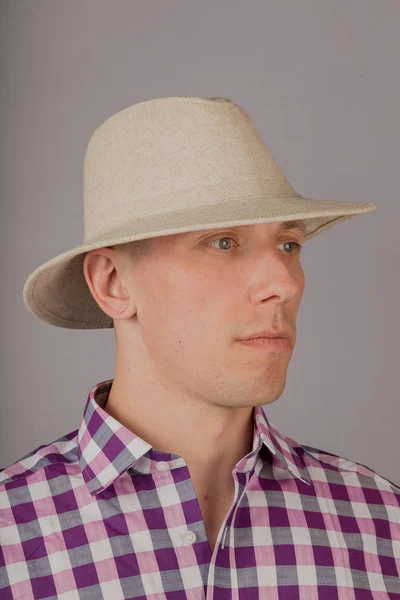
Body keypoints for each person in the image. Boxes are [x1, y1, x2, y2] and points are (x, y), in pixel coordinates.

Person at [1, 96, 398, 598]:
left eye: (289, 245)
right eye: (223, 242)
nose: (284, 282)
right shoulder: (12, 535)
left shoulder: (381, 522)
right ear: (114, 282)